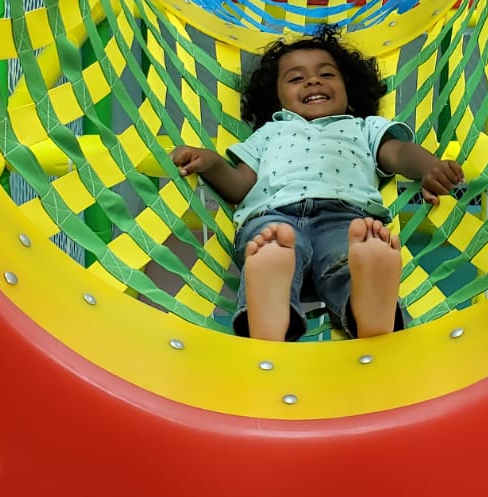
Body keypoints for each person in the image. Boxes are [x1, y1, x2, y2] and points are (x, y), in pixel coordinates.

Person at [172, 24, 464, 342]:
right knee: (274, 247)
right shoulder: (269, 133)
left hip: (346, 220)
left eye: (326, 75)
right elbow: (240, 184)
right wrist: (212, 164)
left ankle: (367, 306)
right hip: (274, 218)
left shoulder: (364, 128)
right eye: (296, 78)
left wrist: (428, 167)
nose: (313, 80)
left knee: (349, 258)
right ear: (276, 101)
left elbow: (399, 152)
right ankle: (273, 308)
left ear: (350, 94)